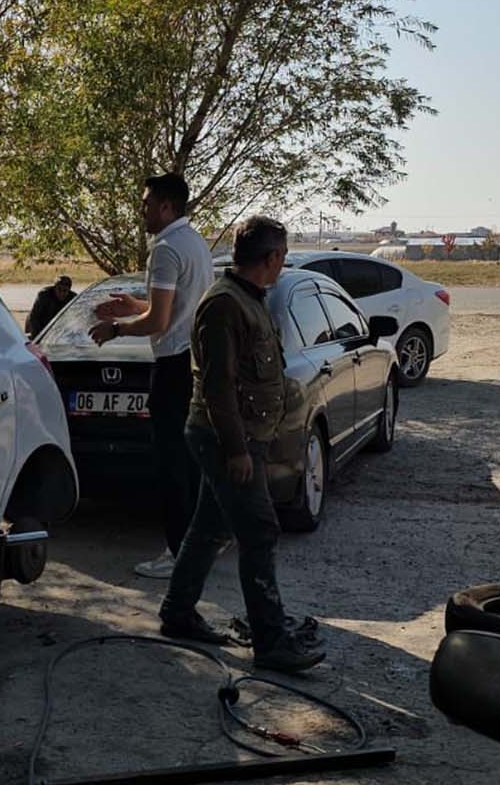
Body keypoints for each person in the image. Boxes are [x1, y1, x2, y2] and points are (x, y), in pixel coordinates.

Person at [156, 216, 324, 673]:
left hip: (244, 436)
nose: (283, 264)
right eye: (283, 257)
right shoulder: (224, 305)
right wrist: (235, 450)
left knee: (209, 526)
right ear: (270, 258)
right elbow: (218, 387)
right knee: (260, 531)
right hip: (225, 438)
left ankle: (177, 613)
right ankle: (271, 642)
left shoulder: (249, 300)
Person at [87, 172, 213, 578]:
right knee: (190, 461)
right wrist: (131, 305)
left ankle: (178, 554)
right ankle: (197, 545)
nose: (140, 210)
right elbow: (170, 307)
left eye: (145, 203)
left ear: (166, 206)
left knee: (172, 463)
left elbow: (159, 321)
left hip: (173, 366)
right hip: (192, 361)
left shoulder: (165, 249)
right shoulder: (193, 242)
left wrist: (116, 329)